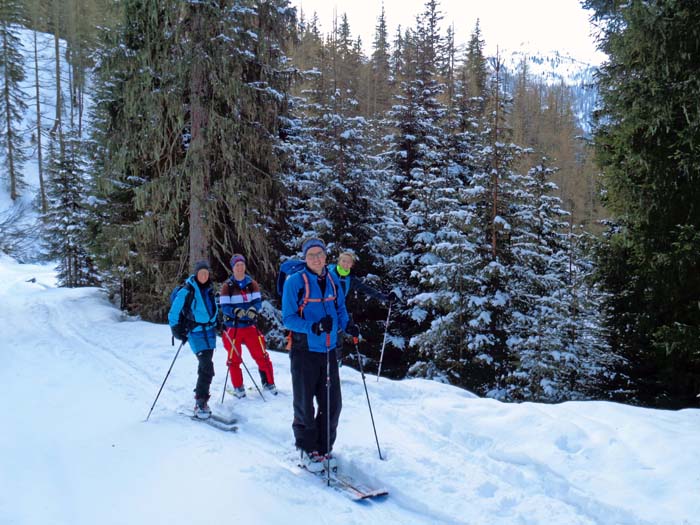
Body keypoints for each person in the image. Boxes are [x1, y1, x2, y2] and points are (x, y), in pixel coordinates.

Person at [282, 238, 359, 473]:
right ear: (305, 257)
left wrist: (348, 325)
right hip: (304, 350)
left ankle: (324, 448)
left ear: (326, 256)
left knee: (332, 403)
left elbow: (340, 308)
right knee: (305, 403)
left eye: (320, 254)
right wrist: (313, 326)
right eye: (311, 254)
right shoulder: (294, 282)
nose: (316, 258)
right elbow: (288, 318)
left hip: (328, 349)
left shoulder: (333, 278)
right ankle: (307, 449)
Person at [219, 254, 276, 398]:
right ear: (233, 268)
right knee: (234, 358)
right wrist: (234, 311)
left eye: (242, 265)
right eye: (237, 265)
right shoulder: (227, 286)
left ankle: (269, 383)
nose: (240, 268)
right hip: (233, 326)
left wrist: (253, 309)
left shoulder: (252, 284)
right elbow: (224, 306)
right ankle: (238, 387)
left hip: (250, 325)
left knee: (261, 354)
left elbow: (257, 302)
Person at [329, 251, 400, 365]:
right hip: (322, 309)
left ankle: (333, 367)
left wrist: (385, 297)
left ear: (352, 265)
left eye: (349, 262)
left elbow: (367, 289)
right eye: (343, 261)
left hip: (338, 311)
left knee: (337, 339)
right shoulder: (328, 273)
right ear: (338, 261)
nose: (345, 264)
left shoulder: (350, 279)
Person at [169, 260, 219, 419]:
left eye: (206, 273)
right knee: (207, 366)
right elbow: (174, 311)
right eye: (201, 273)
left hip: (209, 332)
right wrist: (176, 329)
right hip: (195, 333)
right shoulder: (187, 290)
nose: (204, 275)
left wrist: (219, 322)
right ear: (196, 274)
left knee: (205, 366)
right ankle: (201, 402)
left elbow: (212, 309)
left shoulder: (209, 289)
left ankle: (200, 395)